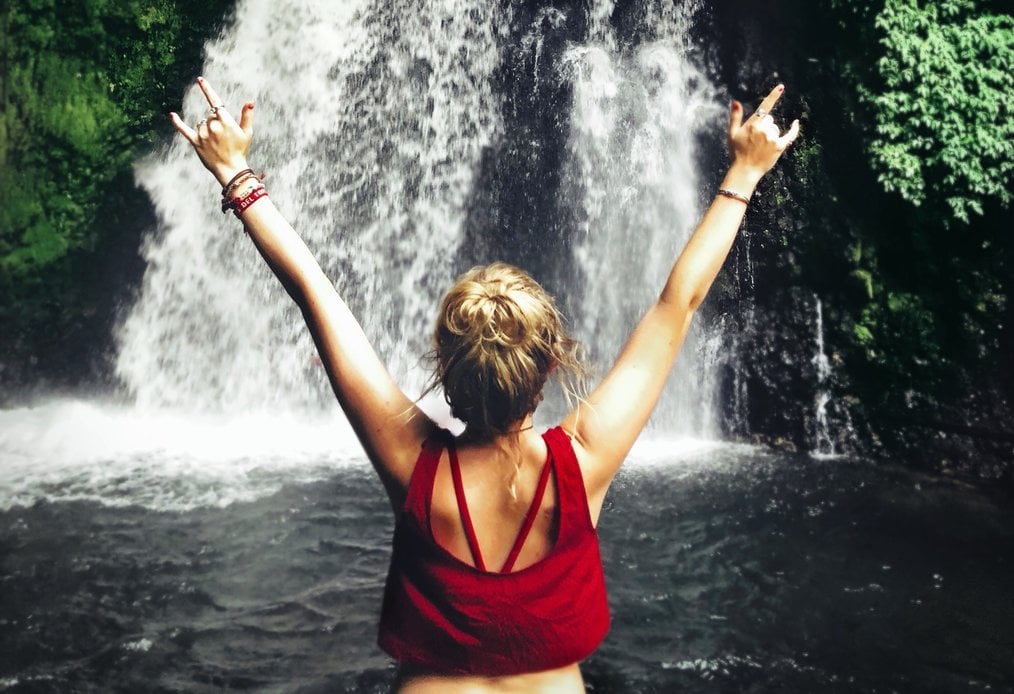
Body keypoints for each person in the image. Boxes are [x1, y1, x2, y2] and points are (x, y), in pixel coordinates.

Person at [171, 77, 799, 693]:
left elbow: (315, 294)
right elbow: (678, 304)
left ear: (446, 366)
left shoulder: (412, 461)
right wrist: (745, 171)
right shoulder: (584, 461)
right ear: (549, 366)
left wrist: (234, 172)